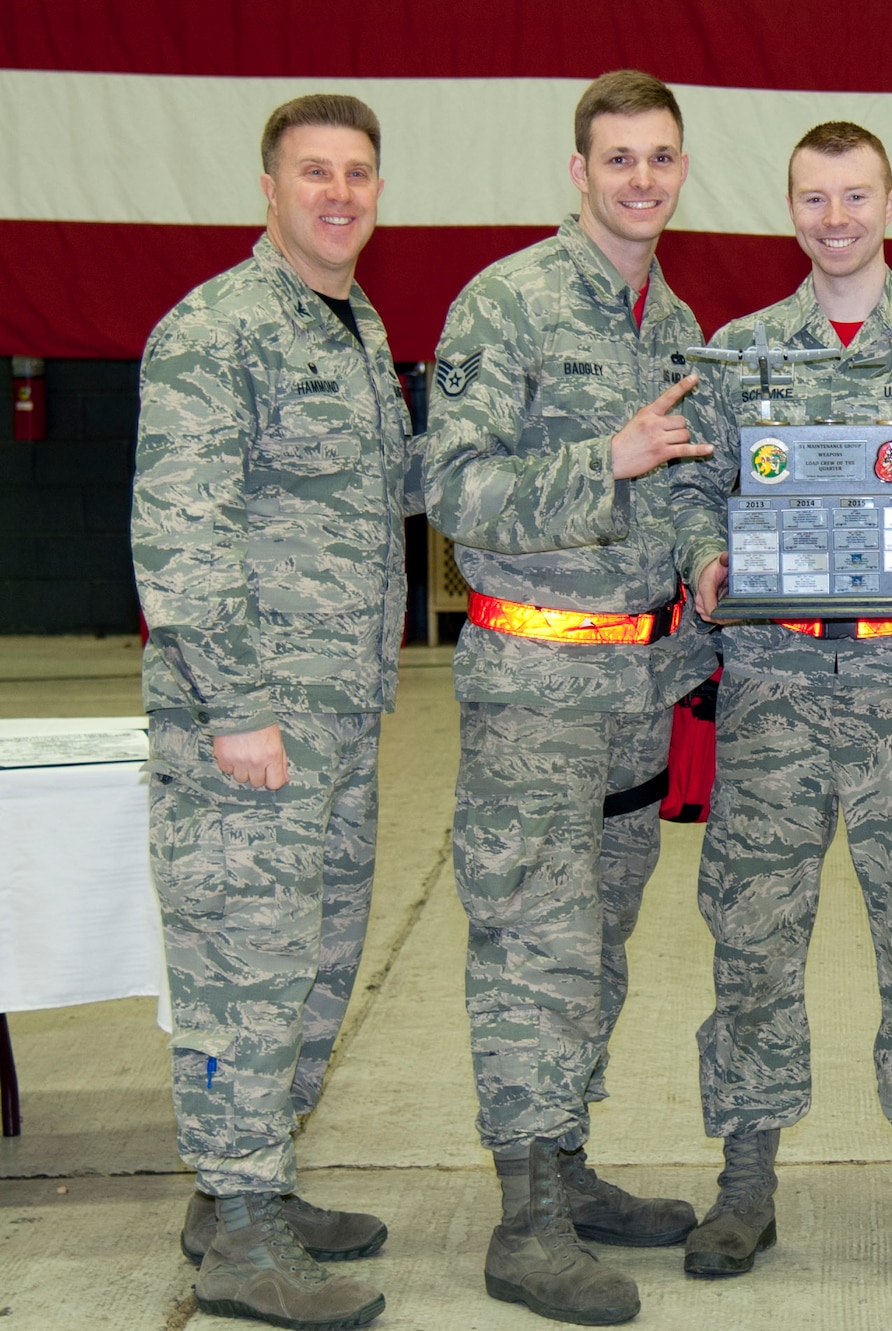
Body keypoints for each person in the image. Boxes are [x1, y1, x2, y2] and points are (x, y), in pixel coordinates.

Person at [668, 121, 892, 1281]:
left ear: (890, 199)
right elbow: (692, 492)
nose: (835, 216)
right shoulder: (738, 352)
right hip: (770, 694)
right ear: (789, 208)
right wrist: (703, 561)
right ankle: (743, 1181)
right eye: (814, 197)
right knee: (752, 942)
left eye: (854, 194)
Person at [424, 69, 716, 1325]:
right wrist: (607, 455)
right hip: (539, 685)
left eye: (659, 158)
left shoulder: (673, 317)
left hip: (641, 683)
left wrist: (708, 555)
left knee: (595, 944)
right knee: (533, 946)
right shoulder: (512, 302)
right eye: (618, 159)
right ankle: (525, 1220)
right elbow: (452, 489)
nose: (640, 179)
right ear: (577, 171)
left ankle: (567, 1161)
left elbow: (691, 484)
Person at [133, 92, 417, 1330]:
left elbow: (389, 491)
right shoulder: (215, 328)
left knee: (309, 961)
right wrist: (237, 709)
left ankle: (250, 1183)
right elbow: (180, 539)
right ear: (269, 188)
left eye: (357, 172)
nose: (339, 194)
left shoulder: (352, 326)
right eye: (316, 172)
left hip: (338, 722)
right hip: (247, 724)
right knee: (243, 965)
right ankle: (240, 1222)